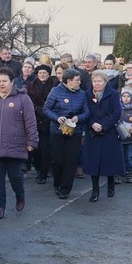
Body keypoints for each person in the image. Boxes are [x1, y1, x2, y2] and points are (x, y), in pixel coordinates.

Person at [0, 67, 38, 218]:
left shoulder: (22, 98)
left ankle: (20, 195)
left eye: (4, 81)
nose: (1, 84)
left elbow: (30, 122)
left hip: (16, 144)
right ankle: (0, 207)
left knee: (15, 176)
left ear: (12, 82)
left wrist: (32, 141)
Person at [43, 69, 91, 199]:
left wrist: (78, 118)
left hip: (75, 131)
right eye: (77, 80)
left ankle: (65, 188)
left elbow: (87, 112)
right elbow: (46, 109)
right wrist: (57, 117)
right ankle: (57, 183)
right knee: (57, 160)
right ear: (69, 81)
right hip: (57, 130)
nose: (80, 82)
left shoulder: (82, 94)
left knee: (71, 161)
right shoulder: (55, 91)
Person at [82, 70, 124, 202]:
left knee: (109, 160)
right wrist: (93, 124)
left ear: (106, 82)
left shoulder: (113, 94)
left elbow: (116, 113)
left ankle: (111, 182)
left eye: (100, 81)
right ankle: (95, 190)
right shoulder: (87, 94)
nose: (97, 84)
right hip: (92, 132)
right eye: (95, 81)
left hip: (108, 132)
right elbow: (85, 111)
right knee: (94, 163)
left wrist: (103, 125)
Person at [27, 63, 58, 184]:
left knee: (45, 148)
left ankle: (44, 173)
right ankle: (38, 169)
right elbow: (28, 100)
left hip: (49, 119)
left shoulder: (54, 85)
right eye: (40, 73)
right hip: (35, 117)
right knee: (35, 148)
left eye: (44, 73)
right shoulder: (32, 85)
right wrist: (36, 108)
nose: (42, 75)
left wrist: (46, 110)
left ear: (49, 74)